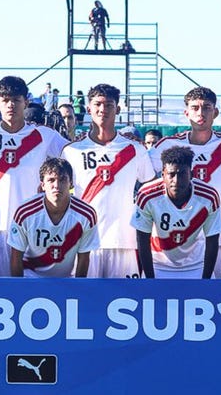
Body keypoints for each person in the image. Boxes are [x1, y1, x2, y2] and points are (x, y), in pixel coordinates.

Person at [0, 75, 69, 276]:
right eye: (5, 100)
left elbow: (74, 155)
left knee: (30, 293)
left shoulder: (44, 135)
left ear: (26, 101)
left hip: (32, 227)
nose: (11, 105)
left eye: (16, 100)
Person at [149, 87, 221, 279]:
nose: (200, 113)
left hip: (217, 236)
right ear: (186, 113)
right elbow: (142, 173)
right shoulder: (168, 145)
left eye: (206, 107)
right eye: (195, 108)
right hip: (177, 236)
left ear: (216, 112)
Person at [60, 83, 155, 278]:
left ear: (118, 109)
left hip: (125, 241)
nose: (103, 109)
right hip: (84, 242)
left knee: (127, 301)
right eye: (97, 104)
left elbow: (150, 189)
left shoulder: (135, 149)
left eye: (109, 105)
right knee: (84, 303)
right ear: (88, 109)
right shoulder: (71, 151)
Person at [132, 147, 221, 279]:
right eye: (171, 174)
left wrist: (206, 280)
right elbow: (142, 239)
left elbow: (212, 239)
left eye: (182, 174)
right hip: (158, 265)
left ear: (191, 174)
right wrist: (150, 280)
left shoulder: (208, 196)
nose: (176, 180)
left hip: (196, 265)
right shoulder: (147, 195)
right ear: (163, 174)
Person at [8, 157, 99, 278]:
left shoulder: (86, 214)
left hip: (66, 281)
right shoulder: (24, 212)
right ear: (43, 185)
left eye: (62, 180)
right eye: (51, 180)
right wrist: (21, 290)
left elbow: (83, 259)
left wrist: (77, 291)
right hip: (30, 278)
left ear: (71, 183)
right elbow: (16, 256)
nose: (56, 185)